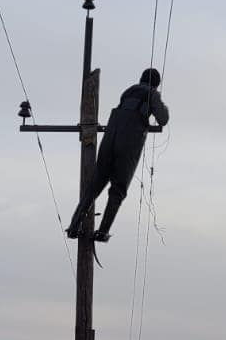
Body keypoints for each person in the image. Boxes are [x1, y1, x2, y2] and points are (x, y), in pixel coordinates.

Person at [65, 69, 169, 242]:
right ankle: (102, 231)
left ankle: (74, 226)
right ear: (156, 84)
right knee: (118, 190)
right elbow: (163, 118)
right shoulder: (152, 94)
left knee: (95, 186)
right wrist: (160, 101)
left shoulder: (128, 91)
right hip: (128, 145)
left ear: (140, 79)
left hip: (109, 141)